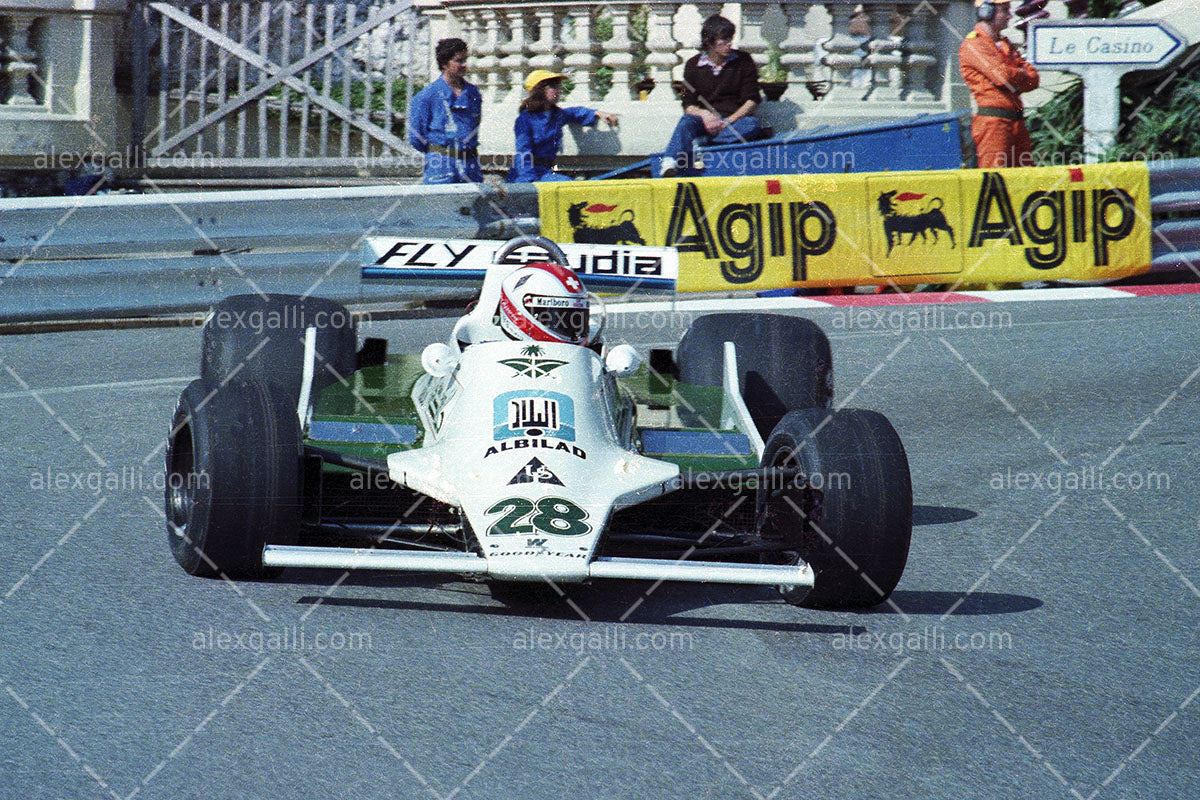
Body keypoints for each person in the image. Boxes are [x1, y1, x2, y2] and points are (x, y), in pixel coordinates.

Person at [659, 14, 762, 178]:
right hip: (705, 122)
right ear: (709, 41)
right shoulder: (693, 65)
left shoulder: (743, 60)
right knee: (686, 123)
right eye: (724, 39)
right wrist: (704, 115)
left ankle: (703, 143)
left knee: (752, 125)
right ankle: (669, 162)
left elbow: (752, 100)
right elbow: (688, 104)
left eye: (731, 38)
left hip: (734, 121)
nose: (729, 43)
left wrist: (727, 122)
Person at [958, 0, 1040, 169]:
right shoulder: (974, 44)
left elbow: (1033, 78)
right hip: (993, 124)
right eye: (1005, 10)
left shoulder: (1005, 44)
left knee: (1026, 178)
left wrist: (1012, 76)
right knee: (995, 179)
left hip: (1017, 122)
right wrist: (1018, 75)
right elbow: (1002, 76)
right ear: (986, 12)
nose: (1010, 15)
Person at [508, 70, 619, 183]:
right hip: (526, 176)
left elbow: (574, 112)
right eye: (554, 87)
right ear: (539, 90)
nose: (560, 90)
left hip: (545, 172)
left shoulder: (556, 115)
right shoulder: (525, 119)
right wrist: (529, 183)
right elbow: (522, 153)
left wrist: (597, 113)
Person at [408, 38, 483, 184]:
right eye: (459, 61)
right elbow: (416, 137)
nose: (464, 64)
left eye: (465, 60)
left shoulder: (473, 93)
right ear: (444, 64)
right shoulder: (427, 95)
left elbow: (475, 124)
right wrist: (438, 152)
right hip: (441, 164)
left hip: (470, 163)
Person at [498, 262, 590, 344]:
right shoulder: (488, 353)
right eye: (558, 319)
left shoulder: (591, 353)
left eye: (576, 319)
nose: (571, 328)